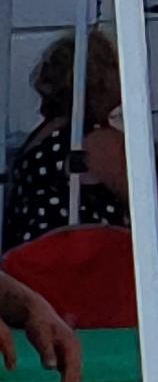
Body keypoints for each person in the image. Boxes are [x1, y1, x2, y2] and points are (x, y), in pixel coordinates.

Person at [1, 33, 124, 253]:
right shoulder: (95, 141)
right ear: (101, 78)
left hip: (28, 263)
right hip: (74, 267)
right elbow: (149, 198)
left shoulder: (44, 137)